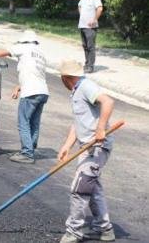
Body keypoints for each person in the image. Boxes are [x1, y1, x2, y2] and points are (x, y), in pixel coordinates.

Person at [57, 59, 116, 243]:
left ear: (65, 78)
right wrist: (67, 145)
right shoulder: (76, 91)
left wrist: (100, 129)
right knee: (92, 188)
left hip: (97, 147)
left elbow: (108, 102)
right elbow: (78, 122)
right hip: (86, 146)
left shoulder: (86, 87)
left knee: (80, 188)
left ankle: (74, 232)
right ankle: (104, 229)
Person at [0, 30, 48, 163]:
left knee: (23, 122)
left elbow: (4, 52)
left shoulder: (24, 47)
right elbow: (34, 74)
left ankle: (27, 153)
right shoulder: (40, 54)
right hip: (42, 92)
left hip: (31, 92)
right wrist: (19, 86)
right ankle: (31, 147)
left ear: (24, 41)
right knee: (34, 122)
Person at [78, 0, 103, 73]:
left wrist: (94, 19)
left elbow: (100, 8)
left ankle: (90, 66)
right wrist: (82, 16)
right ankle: (87, 64)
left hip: (91, 27)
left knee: (90, 46)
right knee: (85, 46)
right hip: (82, 25)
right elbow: (79, 6)